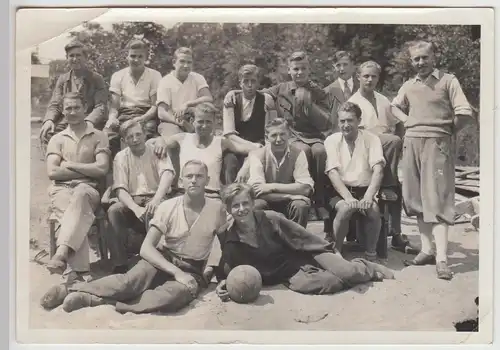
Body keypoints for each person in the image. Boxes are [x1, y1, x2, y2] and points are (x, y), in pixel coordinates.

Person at [60, 160, 227, 314]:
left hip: (193, 267)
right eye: (189, 176)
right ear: (181, 181)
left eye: (199, 176)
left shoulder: (217, 209)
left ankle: (95, 300)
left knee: (172, 296)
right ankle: (70, 289)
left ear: (208, 180)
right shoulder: (168, 207)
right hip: (164, 258)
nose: (194, 180)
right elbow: (146, 248)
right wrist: (176, 272)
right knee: (129, 283)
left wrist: (219, 276)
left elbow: (224, 245)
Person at [214, 183, 395, 300]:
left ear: (253, 203)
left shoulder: (271, 219)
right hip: (287, 273)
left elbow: (304, 238)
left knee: (347, 271)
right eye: (235, 205)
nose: (241, 209)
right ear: (228, 209)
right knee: (329, 283)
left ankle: (367, 267)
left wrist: (332, 252)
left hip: (309, 253)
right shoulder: (229, 237)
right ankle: (343, 273)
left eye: (245, 203)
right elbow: (228, 265)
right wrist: (225, 282)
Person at [392, 41, 473, 280]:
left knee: (437, 199)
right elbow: (395, 107)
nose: (420, 63)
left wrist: (446, 132)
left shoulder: (448, 80)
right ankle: (427, 250)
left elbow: (465, 113)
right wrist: (407, 121)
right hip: (412, 143)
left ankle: (442, 259)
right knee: (415, 198)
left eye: (424, 58)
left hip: (438, 145)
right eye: (416, 59)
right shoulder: (409, 84)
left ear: (433, 57)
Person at [39, 92, 111, 310]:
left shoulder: (99, 135)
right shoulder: (57, 139)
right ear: (63, 111)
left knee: (79, 194)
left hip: (88, 190)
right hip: (61, 190)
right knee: (69, 207)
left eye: (76, 108)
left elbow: (102, 169)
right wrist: (84, 171)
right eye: (67, 109)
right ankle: (77, 278)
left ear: (85, 107)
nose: (71, 112)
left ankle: (62, 254)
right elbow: (52, 172)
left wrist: (71, 166)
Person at [347, 60, 410, 251]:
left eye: (374, 76)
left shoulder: (383, 100)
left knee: (397, 190)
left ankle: (396, 234)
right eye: (366, 76)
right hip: (363, 148)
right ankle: (386, 184)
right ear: (358, 77)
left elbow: (399, 121)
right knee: (392, 141)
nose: (369, 80)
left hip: (386, 149)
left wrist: (399, 138)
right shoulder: (353, 102)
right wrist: (393, 140)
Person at [263, 51, 332, 219]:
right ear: (289, 70)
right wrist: (266, 98)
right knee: (303, 151)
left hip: (313, 136)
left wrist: (309, 105)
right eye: (295, 69)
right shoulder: (281, 88)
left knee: (320, 152)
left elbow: (326, 123)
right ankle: (305, 200)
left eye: (303, 69)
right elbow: (261, 94)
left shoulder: (318, 92)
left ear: (309, 70)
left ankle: (320, 201)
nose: (299, 72)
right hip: (292, 136)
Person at [108, 119, 176, 274]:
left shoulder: (157, 149)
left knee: (164, 209)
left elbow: (167, 175)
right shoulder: (120, 157)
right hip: (133, 200)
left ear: (145, 135)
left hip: (158, 195)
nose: (135, 139)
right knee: (114, 211)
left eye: (138, 134)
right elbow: (120, 189)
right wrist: (135, 208)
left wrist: (157, 199)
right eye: (130, 137)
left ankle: (165, 261)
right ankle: (120, 264)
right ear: (124, 141)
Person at [323, 102, 385, 261]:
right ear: (338, 122)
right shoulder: (331, 140)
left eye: (350, 120)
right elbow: (332, 172)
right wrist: (348, 198)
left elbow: (378, 170)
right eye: (342, 121)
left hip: (364, 189)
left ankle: (371, 253)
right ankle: (337, 251)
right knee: (345, 209)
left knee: (373, 209)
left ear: (359, 121)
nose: (346, 125)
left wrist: (369, 196)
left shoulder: (372, 139)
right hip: (339, 190)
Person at [154, 102, 248, 199]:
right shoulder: (182, 139)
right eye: (200, 121)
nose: (204, 126)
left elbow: (252, 150)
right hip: (184, 194)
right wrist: (159, 140)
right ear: (192, 121)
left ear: (214, 122)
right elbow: (152, 143)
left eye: (208, 122)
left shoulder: (221, 142)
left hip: (211, 196)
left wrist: (244, 168)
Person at [247, 118, 314, 228]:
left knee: (301, 205)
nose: (279, 139)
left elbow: (305, 188)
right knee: (256, 205)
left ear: (289, 135)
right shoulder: (257, 155)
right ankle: (263, 244)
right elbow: (258, 191)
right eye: (274, 135)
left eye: (282, 134)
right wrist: (289, 196)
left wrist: (272, 186)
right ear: (266, 138)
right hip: (267, 201)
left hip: (287, 204)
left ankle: (295, 243)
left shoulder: (298, 154)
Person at [39, 41, 108, 147]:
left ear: (85, 57)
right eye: (71, 56)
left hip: (89, 120)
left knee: (96, 141)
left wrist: (88, 122)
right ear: (67, 58)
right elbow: (55, 104)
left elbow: (101, 106)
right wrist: (49, 120)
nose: (75, 59)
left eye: (78, 55)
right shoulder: (63, 79)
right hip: (67, 120)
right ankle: (55, 162)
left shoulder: (96, 79)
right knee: (47, 133)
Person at [105, 39, 163, 157]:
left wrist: (142, 118)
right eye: (132, 56)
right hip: (124, 113)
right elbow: (114, 106)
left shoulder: (154, 75)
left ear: (145, 58)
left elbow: (154, 105)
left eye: (140, 56)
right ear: (127, 56)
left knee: (148, 132)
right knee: (107, 135)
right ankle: (116, 169)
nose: (136, 60)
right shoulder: (118, 76)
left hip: (146, 113)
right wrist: (112, 118)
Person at [222, 64, 277, 184]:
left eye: (253, 81)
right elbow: (229, 134)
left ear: (258, 83)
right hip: (236, 146)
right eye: (246, 81)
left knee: (255, 166)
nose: (250, 85)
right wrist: (251, 146)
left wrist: (256, 151)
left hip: (260, 145)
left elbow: (271, 132)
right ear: (240, 83)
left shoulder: (266, 100)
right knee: (230, 162)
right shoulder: (232, 99)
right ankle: (231, 197)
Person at [156, 47, 213, 138]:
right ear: (174, 62)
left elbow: (208, 98)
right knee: (176, 142)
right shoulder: (165, 81)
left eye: (189, 62)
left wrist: (187, 104)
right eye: (182, 61)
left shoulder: (197, 77)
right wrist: (182, 123)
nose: (186, 65)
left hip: (193, 119)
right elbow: (161, 112)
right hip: (171, 121)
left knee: (207, 141)